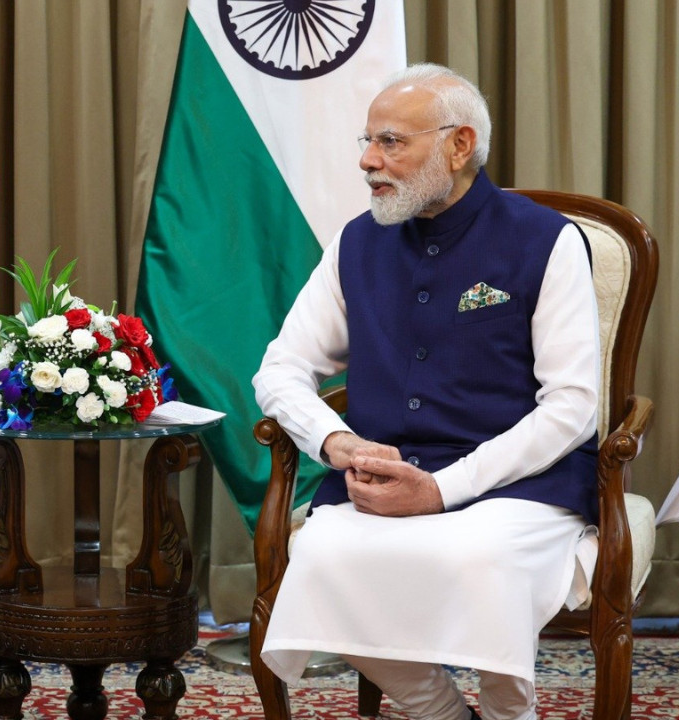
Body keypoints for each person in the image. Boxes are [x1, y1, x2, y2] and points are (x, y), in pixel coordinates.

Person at [252, 63, 601, 720]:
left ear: (459, 145)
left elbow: (574, 407)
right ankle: (437, 709)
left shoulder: (546, 240)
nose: (367, 161)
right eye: (367, 141)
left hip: (522, 484)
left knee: (482, 558)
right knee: (321, 556)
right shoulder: (356, 242)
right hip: (385, 481)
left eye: (390, 142)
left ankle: (507, 713)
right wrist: (339, 441)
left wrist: (443, 490)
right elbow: (280, 369)